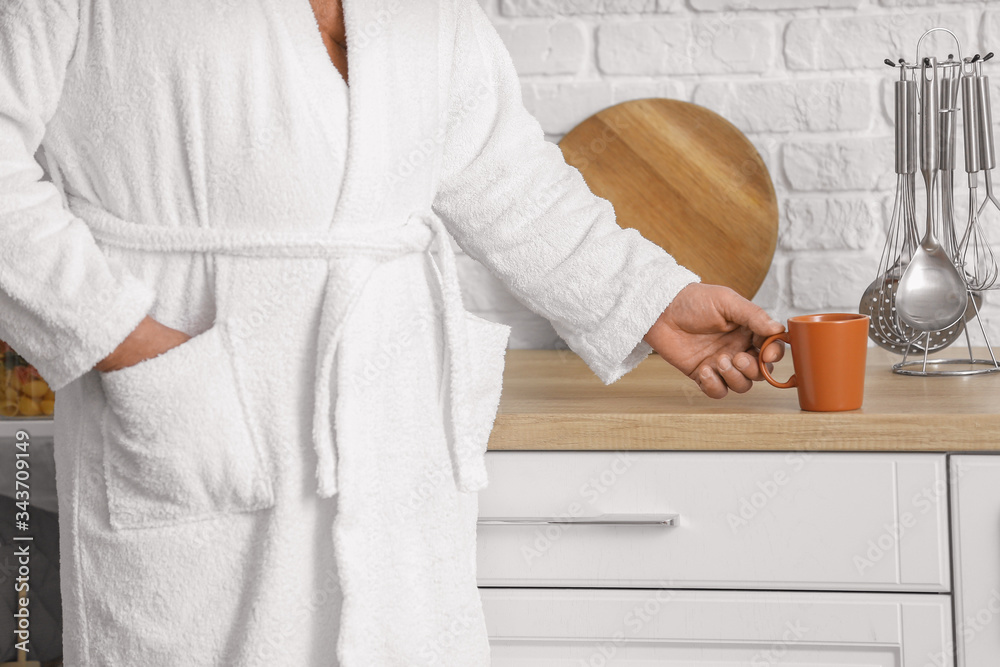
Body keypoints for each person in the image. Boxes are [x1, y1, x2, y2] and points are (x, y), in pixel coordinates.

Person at [0, 0, 783, 664]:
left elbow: (500, 170)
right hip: (197, 410)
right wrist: (130, 344)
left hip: (394, 435)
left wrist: (651, 296)